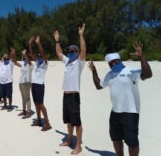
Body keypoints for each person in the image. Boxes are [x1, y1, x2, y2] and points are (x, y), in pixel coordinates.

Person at [88, 42, 152, 156]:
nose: (114, 64)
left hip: (130, 113)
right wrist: (94, 71)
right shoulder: (110, 75)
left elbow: (147, 74)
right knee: (116, 138)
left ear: (120, 60)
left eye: (116, 61)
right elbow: (99, 85)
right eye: (111, 63)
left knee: (132, 143)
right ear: (109, 65)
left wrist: (141, 56)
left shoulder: (131, 71)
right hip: (115, 113)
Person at [54, 23, 86, 154]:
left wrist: (81, 36)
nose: (71, 53)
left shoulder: (79, 63)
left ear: (77, 53)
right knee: (68, 120)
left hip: (73, 96)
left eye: (73, 51)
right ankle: (69, 140)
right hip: (66, 95)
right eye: (70, 51)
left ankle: (78, 145)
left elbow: (84, 51)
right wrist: (57, 41)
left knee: (76, 122)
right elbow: (59, 53)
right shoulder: (67, 61)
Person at [29, 35, 52, 131]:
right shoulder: (37, 63)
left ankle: (47, 123)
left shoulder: (45, 63)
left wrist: (38, 43)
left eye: (40, 56)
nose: (38, 57)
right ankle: (39, 120)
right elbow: (31, 54)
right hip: (33, 85)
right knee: (36, 103)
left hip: (40, 85)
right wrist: (30, 44)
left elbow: (43, 53)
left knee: (41, 104)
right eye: (37, 56)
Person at [13, 48, 33, 119]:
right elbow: (15, 62)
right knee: (23, 97)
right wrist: (13, 53)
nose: (25, 59)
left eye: (26, 58)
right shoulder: (23, 64)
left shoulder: (30, 64)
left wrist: (24, 54)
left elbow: (28, 60)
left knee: (27, 98)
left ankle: (28, 112)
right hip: (21, 82)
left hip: (27, 82)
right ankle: (24, 110)